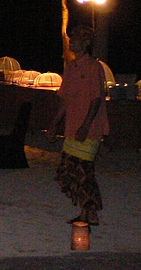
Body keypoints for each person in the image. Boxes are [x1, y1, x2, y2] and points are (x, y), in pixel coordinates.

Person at [46, 25, 109, 226]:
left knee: (83, 171)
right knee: (67, 172)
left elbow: (97, 99)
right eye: (71, 38)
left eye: (76, 38)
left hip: (90, 128)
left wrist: (86, 125)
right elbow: (64, 99)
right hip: (73, 126)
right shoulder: (71, 67)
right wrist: (55, 124)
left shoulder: (94, 67)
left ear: (86, 43)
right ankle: (88, 212)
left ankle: (89, 213)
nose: (72, 42)